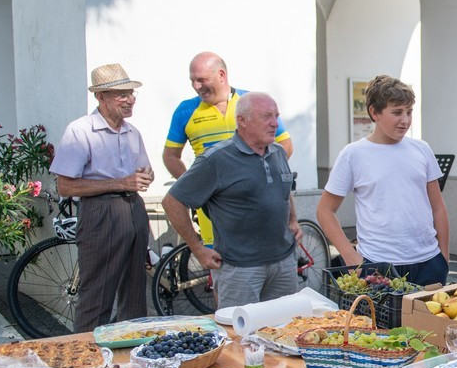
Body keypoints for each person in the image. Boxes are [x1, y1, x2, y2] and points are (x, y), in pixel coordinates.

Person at [163, 92, 302, 309]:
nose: (275, 123)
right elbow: (172, 202)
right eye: (266, 116)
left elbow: (283, 190)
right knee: (239, 336)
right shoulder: (216, 159)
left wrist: (293, 220)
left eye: (276, 116)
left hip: (283, 263)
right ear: (242, 120)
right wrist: (198, 249)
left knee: (284, 331)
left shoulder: (278, 152)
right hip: (240, 269)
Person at [316, 75, 449, 286]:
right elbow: (325, 211)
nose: (405, 120)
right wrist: (352, 258)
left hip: (429, 262)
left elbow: (438, 207)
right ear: (374, 112)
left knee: (428, 320)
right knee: (379, 320)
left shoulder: (422, 149)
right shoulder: (353, 154)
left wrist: (444, 256)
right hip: (377, 265)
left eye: (409, 111)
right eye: (397, 112)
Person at [50, 64, 154, 332]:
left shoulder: (133, 132)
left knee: (134, 294)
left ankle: (132, 364)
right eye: (121, 94)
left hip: (133, 208)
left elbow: (141, 172)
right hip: (101, 211)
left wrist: (146, 176)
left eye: (131, 93)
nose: (130, 99)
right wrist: (121, 182)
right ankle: (87, 364)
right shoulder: (80, 130)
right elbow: (65, 186)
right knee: (97, 297)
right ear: (101, 97)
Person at [163, 52, 292, 247]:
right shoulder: (185, 110)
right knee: (220, 269)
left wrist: (259, 175)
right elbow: (170, 156)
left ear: (221, 75)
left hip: (257, 208)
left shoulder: (250, 103)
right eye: (192, 81)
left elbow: (285, 145)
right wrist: (197, 185)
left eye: (202, 80)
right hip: (214, 212)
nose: (196, 86)